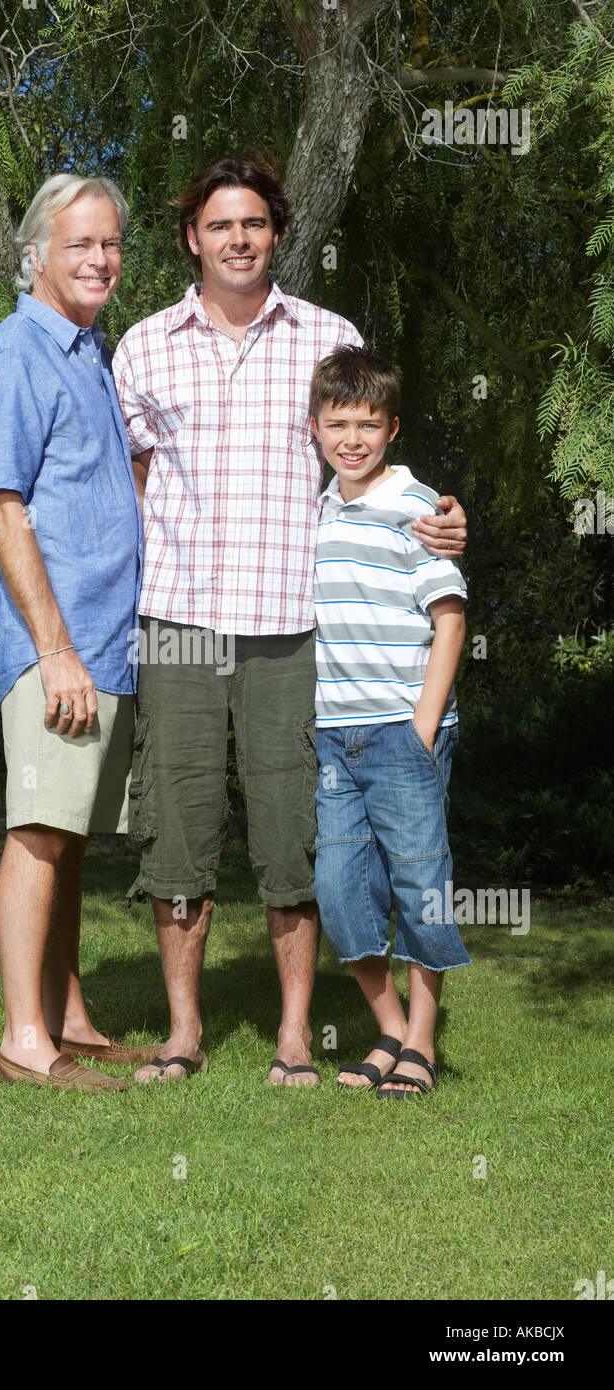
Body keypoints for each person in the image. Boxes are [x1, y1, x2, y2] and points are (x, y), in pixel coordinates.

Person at [112, 155, 468, 1086]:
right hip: (180, 624)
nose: (239, 240)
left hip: (290, 626)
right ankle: (185, 1034)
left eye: (256, 225)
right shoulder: (144, 346)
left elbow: (365, 466)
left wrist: (438, 522)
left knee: (289, 836)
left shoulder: (326, 336)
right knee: (179, 835)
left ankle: (296, 1038)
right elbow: (134, 477)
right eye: (221, 226)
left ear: (277, 234)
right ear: (193, 238)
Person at [0, 173, 157, 1093]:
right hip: (58, 649)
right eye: (81, 244)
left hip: (103, 644)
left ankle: (69, 1020)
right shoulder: (17, 355)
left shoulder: (88, 351)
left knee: (69, 833)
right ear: (35, 253)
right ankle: (22, 1043)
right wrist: (57, 649)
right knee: (39, 830)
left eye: (112, 244)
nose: (101, 260)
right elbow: (5, 512)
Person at [309, 345, 471, 1096]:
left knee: (418, 885)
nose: (351, 439)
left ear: (392, 429)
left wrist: (422, 728)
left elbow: (451, 619)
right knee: (341, 892)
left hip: (403, 731)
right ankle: (390, 1029)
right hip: (335, 738)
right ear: (314, 428)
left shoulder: (417, 507)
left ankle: (423, 1045)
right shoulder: (320, 507)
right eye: (337, 424)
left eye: (366, 425)